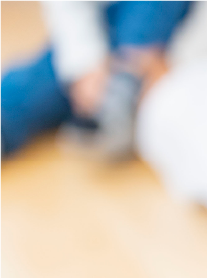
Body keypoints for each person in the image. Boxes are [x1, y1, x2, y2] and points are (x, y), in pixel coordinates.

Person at [0, 0, 193, 160]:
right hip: (109, 23)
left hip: (172, 36)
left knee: (48, 77)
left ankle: (7, 112)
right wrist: (87, 63)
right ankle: (121, 89)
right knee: (59, 66)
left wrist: (173, 66)